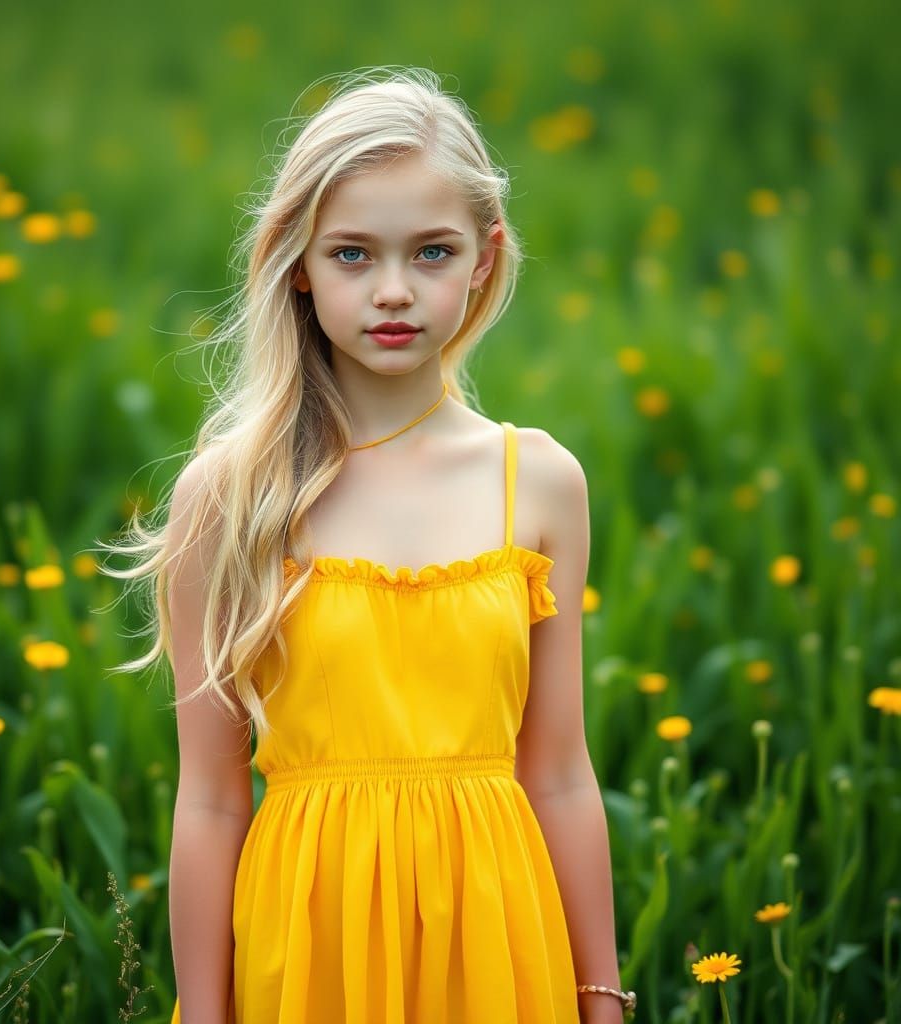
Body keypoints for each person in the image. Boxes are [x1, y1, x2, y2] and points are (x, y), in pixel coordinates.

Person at [104, 66, 631, 1024]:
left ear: (485, 256)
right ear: (297, 262)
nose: (394, 291)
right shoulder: (230, 495)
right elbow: (213, 800)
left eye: (432, 252)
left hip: (499, 945)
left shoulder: (541, 481)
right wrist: (204, 1011)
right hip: (310, 949)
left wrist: (600, 996)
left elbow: (556, 770)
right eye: (352, 255)